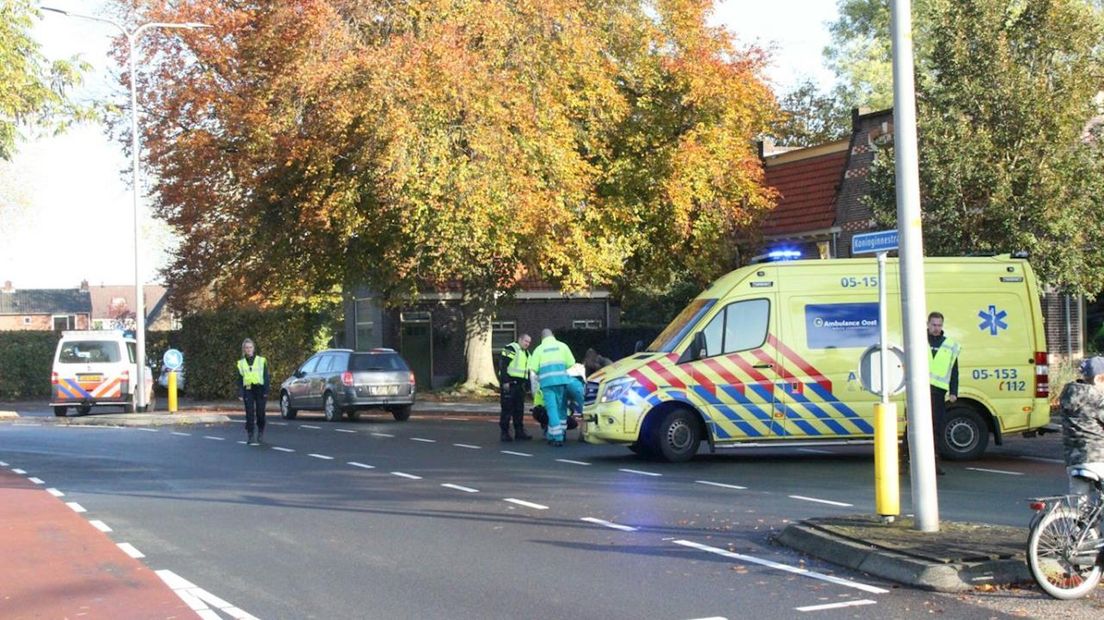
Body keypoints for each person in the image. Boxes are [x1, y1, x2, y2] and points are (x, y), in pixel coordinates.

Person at [1059, 356, 1104, 498]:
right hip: (1097, 458)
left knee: (1079, 506)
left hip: (1072, 460)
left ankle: (1075, 519)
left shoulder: (1068, 394)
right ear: (1098, 379)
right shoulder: (1097, 399)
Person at [528, 329, 580, 446]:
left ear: (542, 338)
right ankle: (559, 432)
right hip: (562, 382)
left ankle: (556, 436)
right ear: (553, 336)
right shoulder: (563, 346)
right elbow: (571, 363)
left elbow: (534, 369)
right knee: (561, 408)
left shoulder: (539, 350)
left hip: (547, 384)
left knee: (552, 410)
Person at [926, 312, 960, 475]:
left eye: (939, 325)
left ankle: (934, 463)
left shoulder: (948, 345)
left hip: (938, 392)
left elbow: (954, 370)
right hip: (920, 392)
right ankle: (904, 462)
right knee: (912, 428)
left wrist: (953, 391)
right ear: (927, 324)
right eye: (933, 325)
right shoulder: (919, 340)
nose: (936, 328)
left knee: (937, 429)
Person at [498, 333, 533, 442]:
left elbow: (527, 370)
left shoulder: (527, 354)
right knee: (507, 409)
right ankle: (504, 432)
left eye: (529, 342)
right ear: (520, 339)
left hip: (520, 385)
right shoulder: (510, 348)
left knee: (519, 409)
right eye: (525, 341)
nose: (527, 344)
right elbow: (503, 364)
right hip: (510, 383)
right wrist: (505, 382)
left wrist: (528, 384)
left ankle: (519, 431)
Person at [237, 338, 270, 446]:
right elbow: (240, 379)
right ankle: (250, 434)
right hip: (248, 390)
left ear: (253, 348)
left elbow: (266, 376)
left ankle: (260, 432)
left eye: (250, 347)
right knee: (249, 413)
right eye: (246, 348)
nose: (248, 349)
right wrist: (240, 393)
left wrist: (266, 391)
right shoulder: (241, 363)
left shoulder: (261, 360)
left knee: (260, 413)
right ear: (244, 349)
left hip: (260, 389)